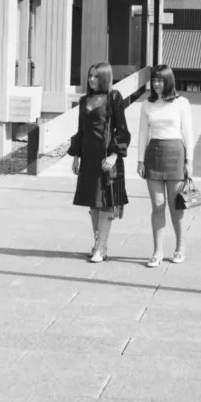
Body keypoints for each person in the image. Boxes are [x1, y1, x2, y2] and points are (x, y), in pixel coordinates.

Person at [68, 61, 130, 262]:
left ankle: (101, 246)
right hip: (88, 157)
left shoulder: (114, 97)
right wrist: (76, 156)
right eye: (90, 76)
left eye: (96, 76)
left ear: (104, 77)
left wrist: (114, 156)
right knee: (93, 203)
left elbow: (121, 129)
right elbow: (81, 131)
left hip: (107, 158)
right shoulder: (84, 99)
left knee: (105, 203)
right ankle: (98, 244)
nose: (91, 79)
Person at [137, 64, 194, 267]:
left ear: (169, 81)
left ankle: (180, 247)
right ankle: (157, 251)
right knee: (157, 206)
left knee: (175, 206)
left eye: (160, 80)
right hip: (153, 154)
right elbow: (143, 133)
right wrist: (140, 160)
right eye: (154, 80)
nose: (157, 84)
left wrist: (190, 161)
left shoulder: (182, 103)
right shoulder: (147, 105)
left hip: (176, 155)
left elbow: (188, 133)